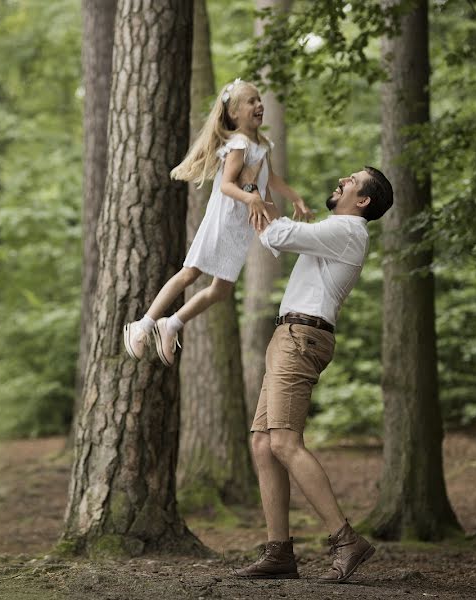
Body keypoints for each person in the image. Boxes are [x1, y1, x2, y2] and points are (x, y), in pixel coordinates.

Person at [232, 166, 394, 583]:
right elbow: (274, 234)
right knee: (263, 444)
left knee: (284, 442)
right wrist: (255, 190)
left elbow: (279, 235)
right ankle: (279, 552)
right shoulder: (335, 229)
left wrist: (250, 188)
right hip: (289, 335)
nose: (342, 179)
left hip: (301, 338)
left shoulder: (348, 230)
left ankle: (346, 541)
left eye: (352, 180)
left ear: (363, 201)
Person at [123, 78, 313, 367]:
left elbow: (269, 181)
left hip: (239, 229)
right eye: (251, 101)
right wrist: (250, 200)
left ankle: (172, 324)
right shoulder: (238, 144)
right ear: (235, 113)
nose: (259, 105)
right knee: (189, 274)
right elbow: (226, 185)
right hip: (222, 220)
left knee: (220, 291)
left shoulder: (262, 144)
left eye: (259, 99)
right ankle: (143, 325)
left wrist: (295, 198)